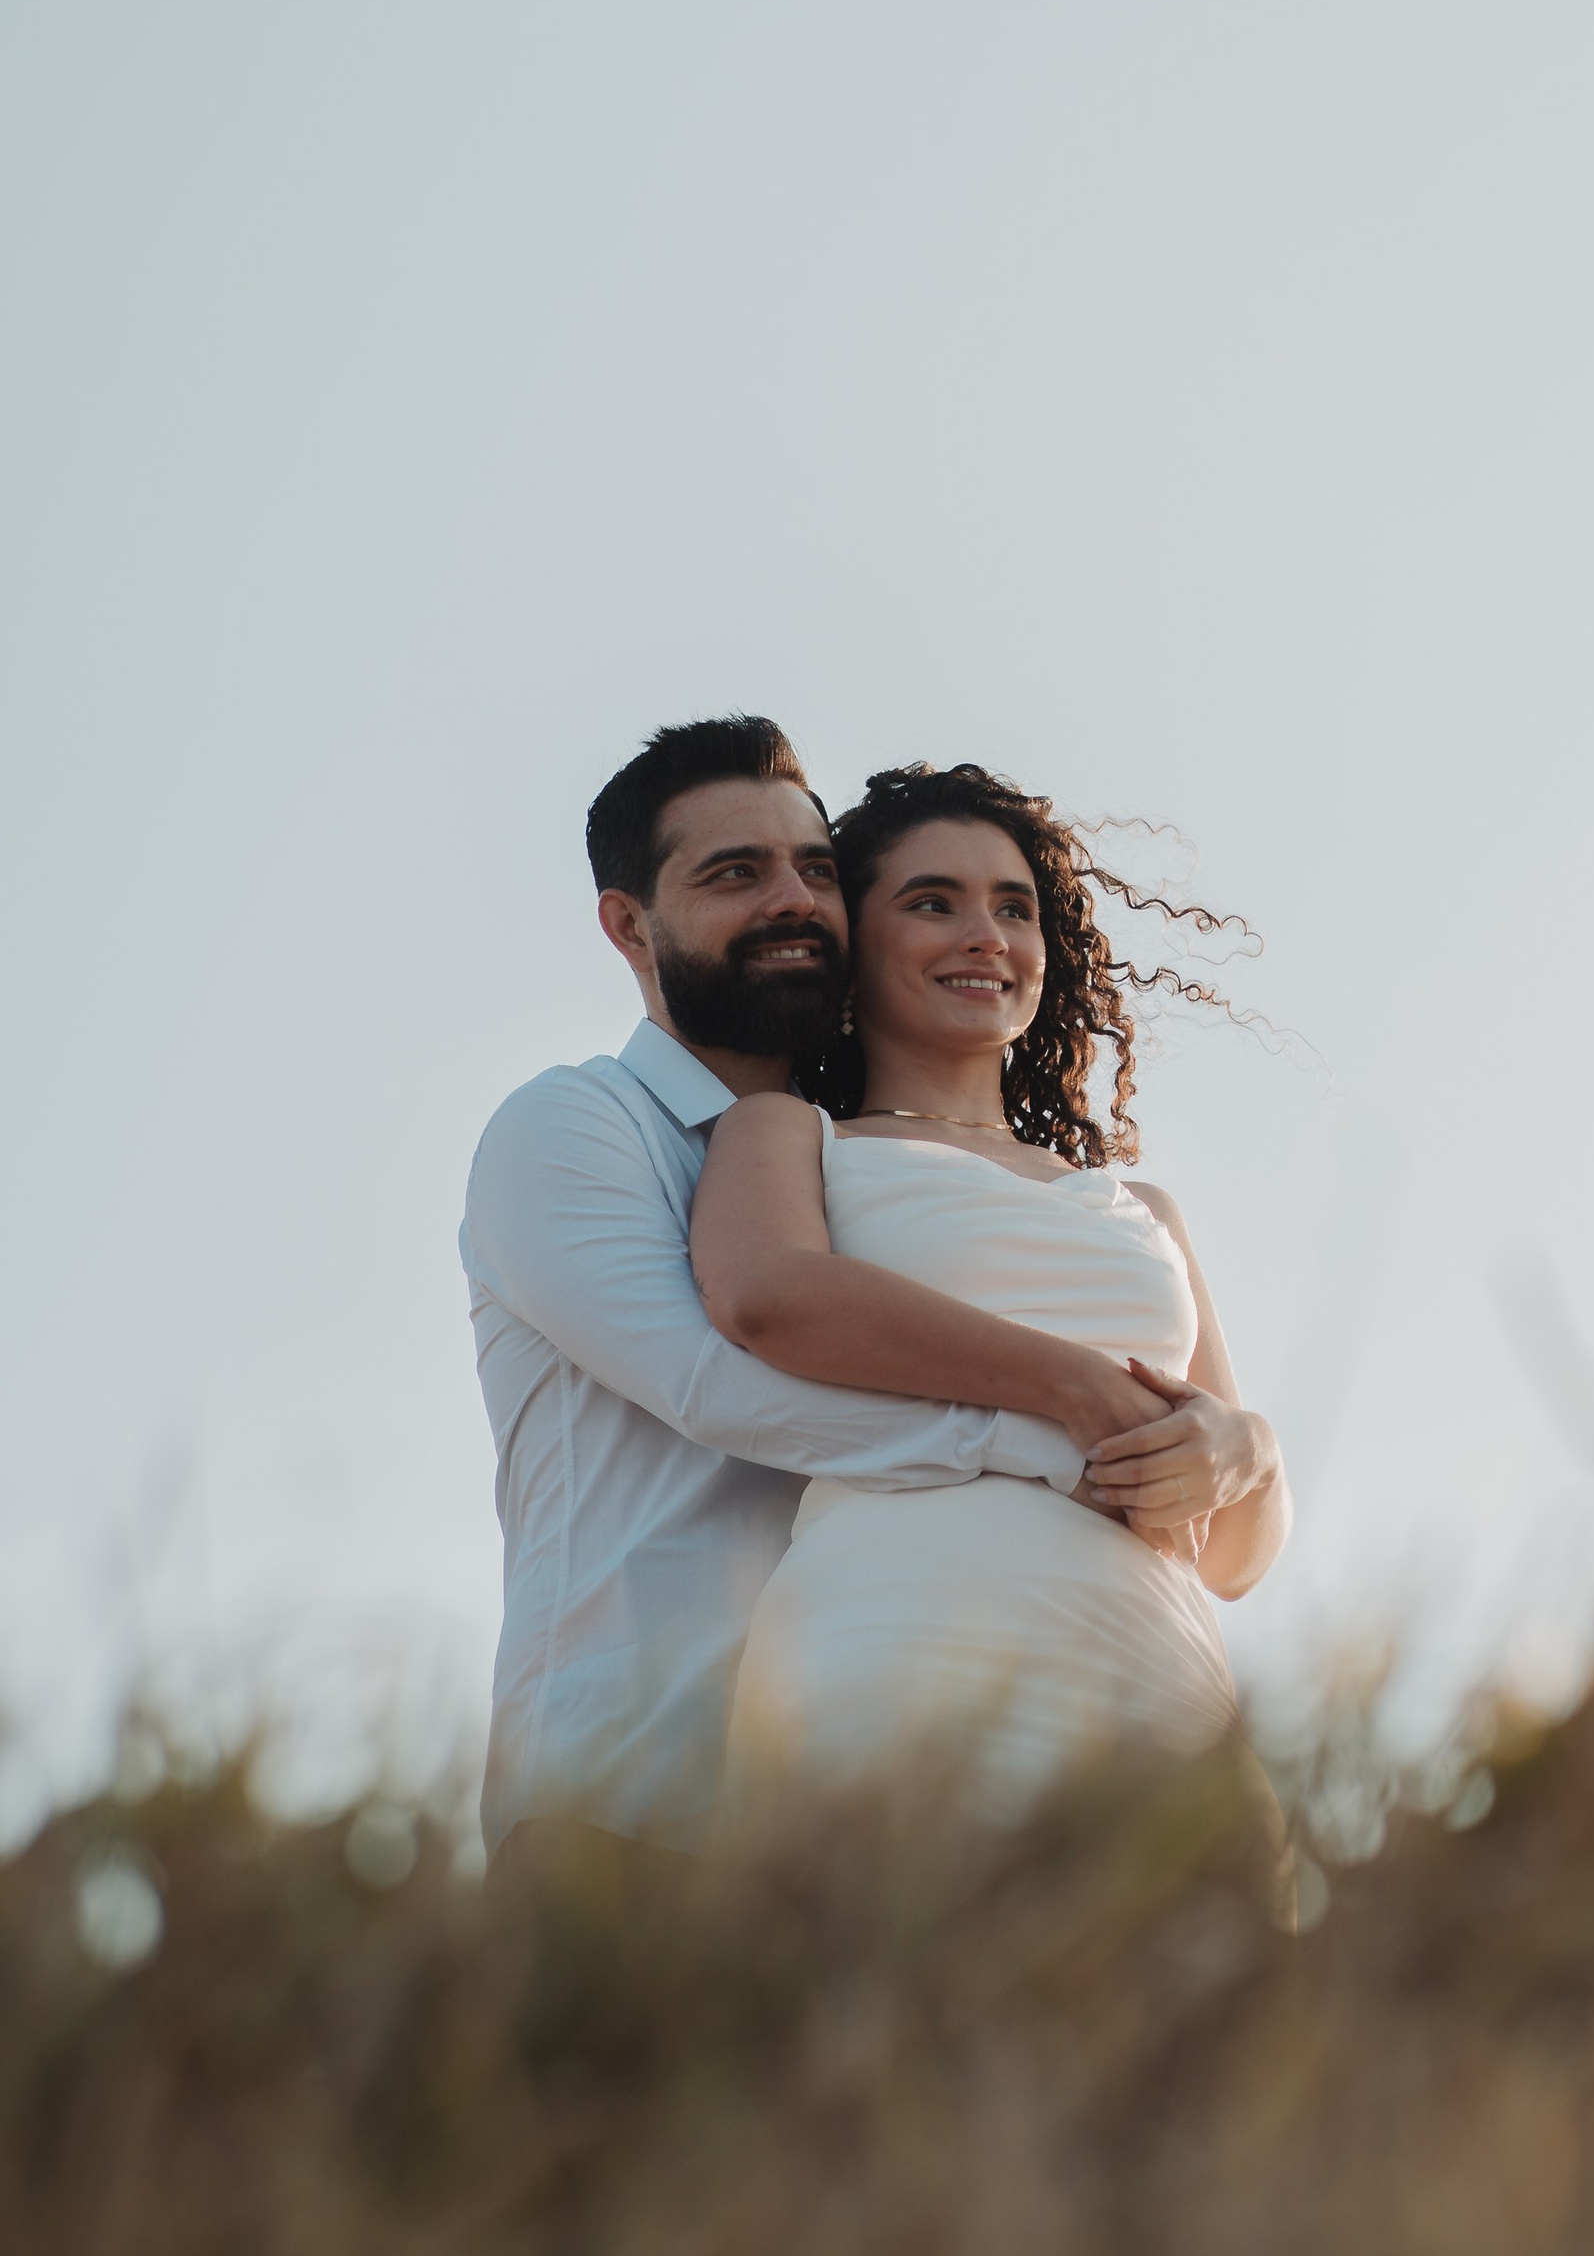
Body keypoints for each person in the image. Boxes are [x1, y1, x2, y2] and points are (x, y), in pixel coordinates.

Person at [460, 716, 1261, 1863]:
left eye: (816, 870)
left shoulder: (809, 1155)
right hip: (620, 1787)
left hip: (832, 1762)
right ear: (628, 925)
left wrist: (1243, 1448)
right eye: (736, 873)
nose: (792, 901)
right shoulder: (576, 1129)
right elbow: (716, 1382)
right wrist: (1063, 1431)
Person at [693, 758, 1290, 1815]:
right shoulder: (793, 1138)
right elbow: (768, 1295)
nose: (985, 936)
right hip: (890, 1638)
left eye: (1013, 908)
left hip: (1152, 1669)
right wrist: (1072, 1386)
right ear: (853, 944)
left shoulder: (1141, 1212)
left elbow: (1236, 1559)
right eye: (933, 903)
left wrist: (1248, 1451)